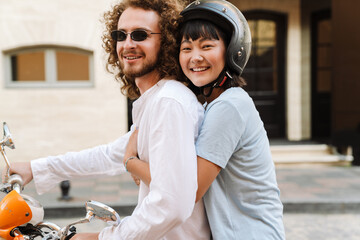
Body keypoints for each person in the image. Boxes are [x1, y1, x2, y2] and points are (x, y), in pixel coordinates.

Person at [3, 0, 211, 239]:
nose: (128, 44)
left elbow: (171, 206)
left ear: (166, 41)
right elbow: (109, 155)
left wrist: (101, 237)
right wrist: (36, 168)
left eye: (140, 35)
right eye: (120, 35)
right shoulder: (155, 101)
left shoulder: (169, 102)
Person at [124, 0, 286, 239]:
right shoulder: (209, 105)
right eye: (186, 48)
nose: (195, 57)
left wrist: (130, 161)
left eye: (207, 46)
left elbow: (188, 189)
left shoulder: (230, 106)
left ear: (231, 50)